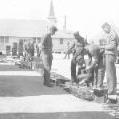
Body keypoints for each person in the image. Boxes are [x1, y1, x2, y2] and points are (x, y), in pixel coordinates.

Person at [101, 22, 118, 102]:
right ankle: (112, 92)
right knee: (112, 75)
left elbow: (112, 46)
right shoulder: (111, 34)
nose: (104, 31)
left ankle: (111, 94)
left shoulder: (112, 34)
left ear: (107, 27)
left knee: (110, 75)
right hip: (109, 55)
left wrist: (103, 47)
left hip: (110, 55)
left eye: (104, 29)